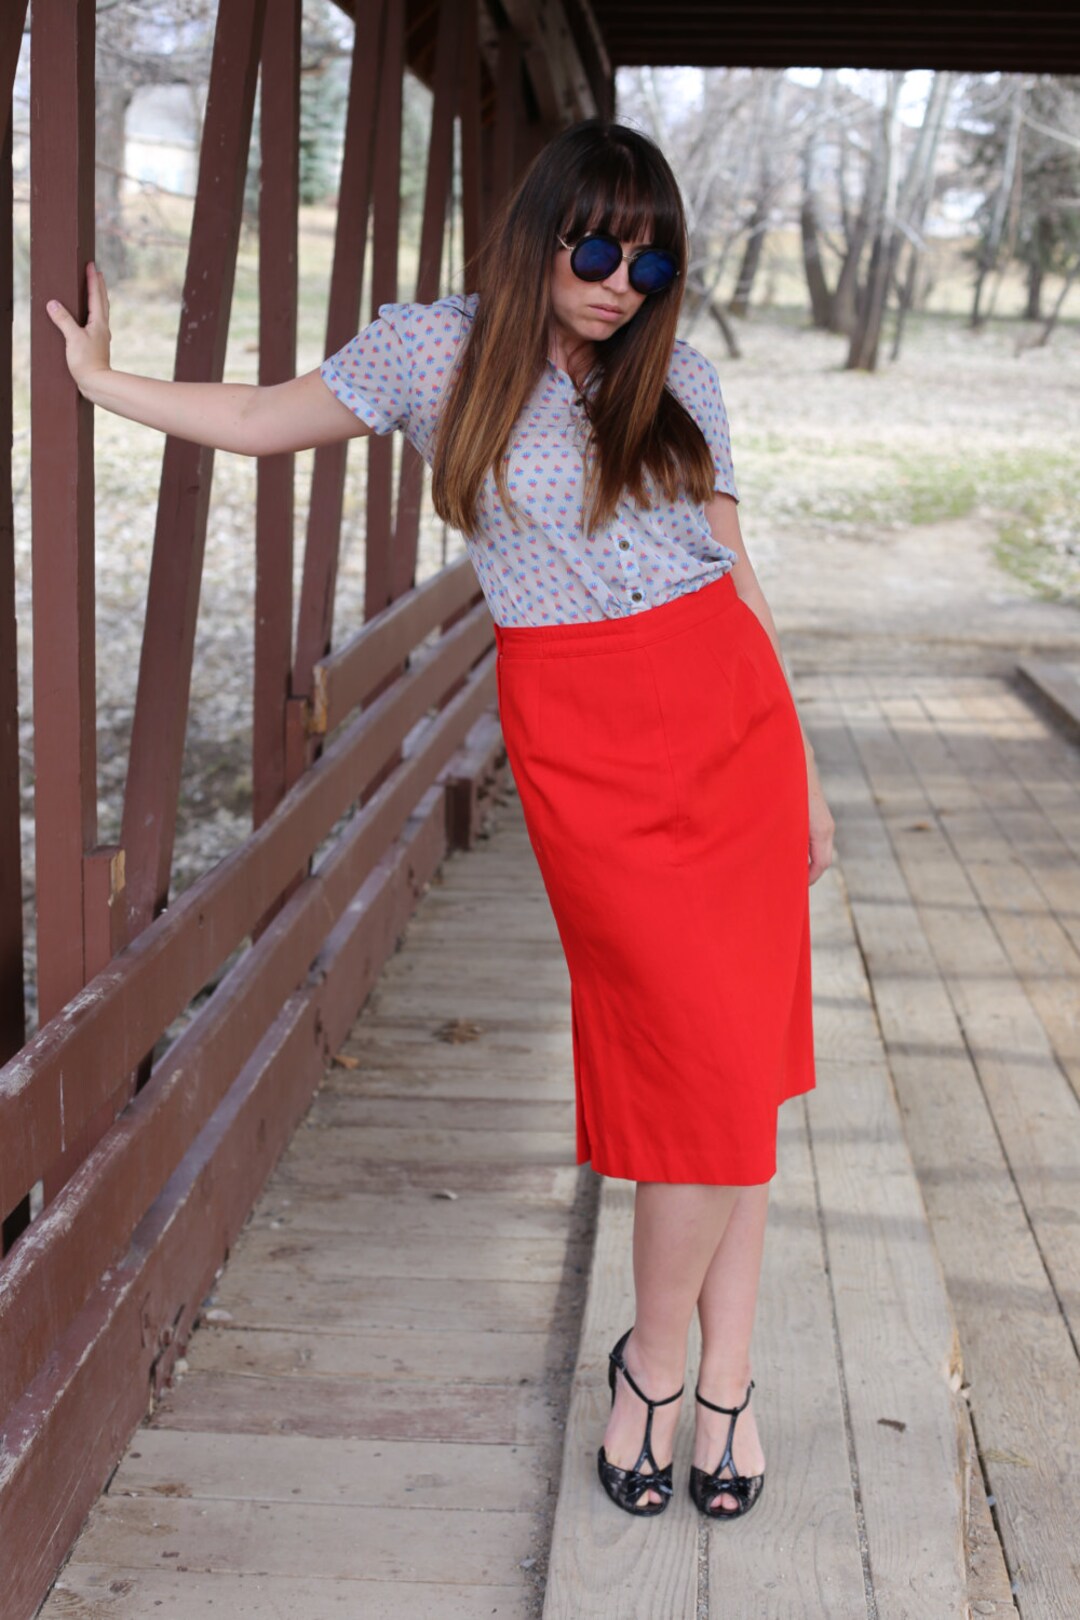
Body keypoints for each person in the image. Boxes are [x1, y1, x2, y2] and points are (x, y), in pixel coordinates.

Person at [47, 118, 835, 1520]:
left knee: (737, 1065)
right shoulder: (434, 354)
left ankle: (709, 1381)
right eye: (596, 250)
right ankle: (666, 1368)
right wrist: (105, 383)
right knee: (696, 1063)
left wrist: (812, 778)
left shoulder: (684, 379)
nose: (617, 285)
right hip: (586, 746)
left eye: (648, 267)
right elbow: (258, 419)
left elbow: (736, 575)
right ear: (541, 232)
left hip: (731, 734)